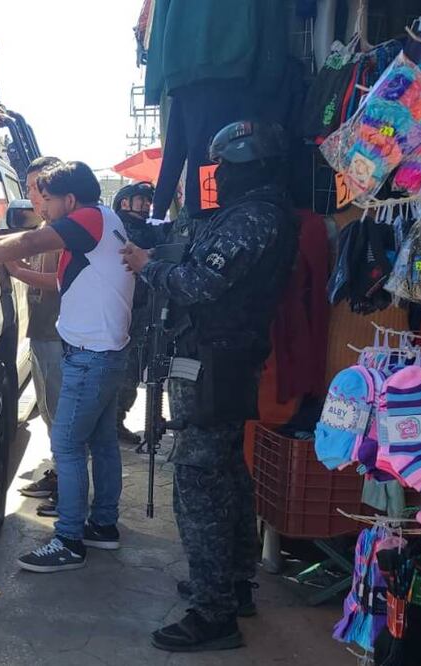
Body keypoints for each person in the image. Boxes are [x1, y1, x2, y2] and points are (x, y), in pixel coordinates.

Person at [121, 121, 297, 652]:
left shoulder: (256, 218)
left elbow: (199, 282)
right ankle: (232, 583)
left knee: (198, 478)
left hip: (219, 362)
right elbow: (191, 238)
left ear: (248, 167)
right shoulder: (247, 215)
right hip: (220, 357)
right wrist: (145, 234)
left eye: (226, 167)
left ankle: (213, 611)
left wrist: (149, 268)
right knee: (225, 472)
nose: (219, 175)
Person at [0, 161, 134, 573]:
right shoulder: (104, 221)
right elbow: (49, 261)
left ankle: (69, 540)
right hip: (107, 353)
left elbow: (30, 242)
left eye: (49, 199)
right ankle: (103, 526)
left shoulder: (87, 219)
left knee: (67, 446)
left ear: (70, 200)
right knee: (100, 443)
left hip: (91, 356)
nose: (44, 207)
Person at [11, 156, 63, 512]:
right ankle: (60, 476)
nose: (32, 195)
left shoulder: (64, 228)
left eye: (37, 188)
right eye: (29, 188)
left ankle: (68, 494)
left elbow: (60, 283)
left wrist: (17, 269)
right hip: (43, 332)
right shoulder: (48, 227)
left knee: (62, 416)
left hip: (58, 335)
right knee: (49, 412)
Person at [111, 181, 167, 449]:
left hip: (146, 309)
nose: (146, 204)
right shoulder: (118, 228)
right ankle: (112, 421)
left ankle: (119, 420)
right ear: (125, 203)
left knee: (139, 369)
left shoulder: (148, 230)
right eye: (141, 199)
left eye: (148, 200)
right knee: (126, 369)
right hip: (124, 309)